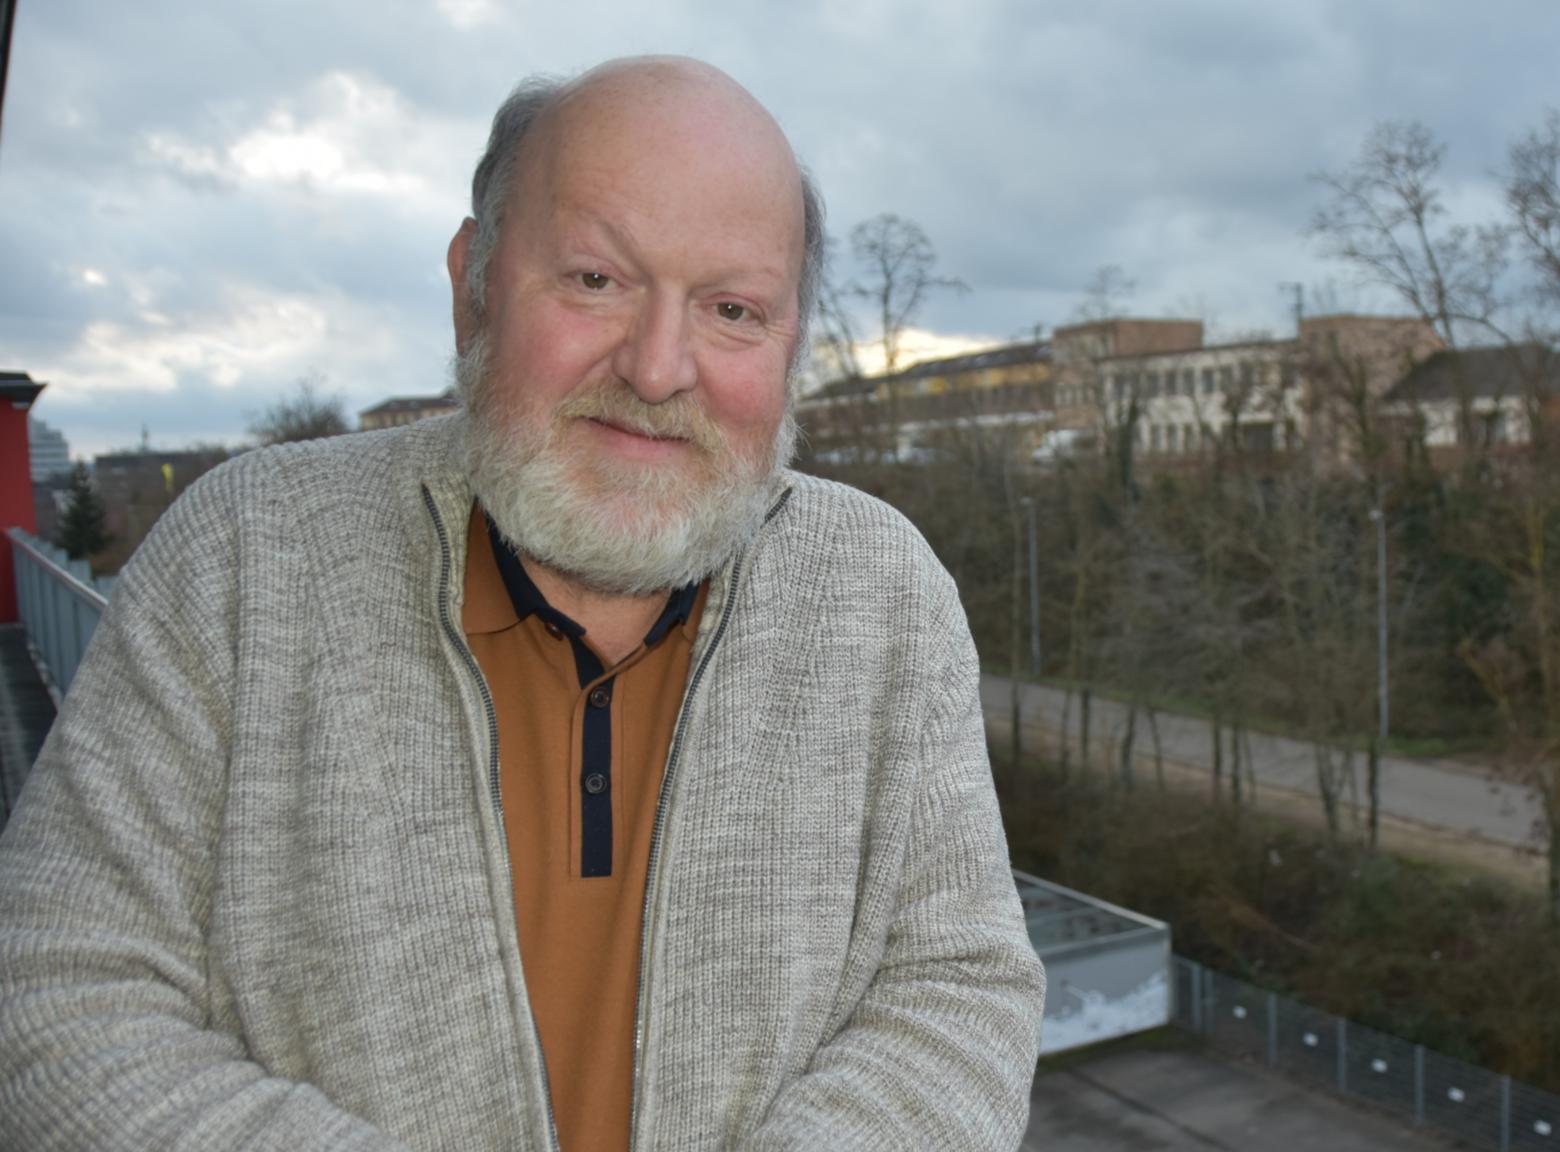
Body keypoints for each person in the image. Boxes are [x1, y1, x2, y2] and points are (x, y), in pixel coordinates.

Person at [0, 56, 1045, 1151]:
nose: (655, 367)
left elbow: (957, 985)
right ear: (473, 282)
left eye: (731, 308)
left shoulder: (882, 589)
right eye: (596, 279)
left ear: (787, 344)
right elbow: (61, 990)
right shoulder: (245, 556)